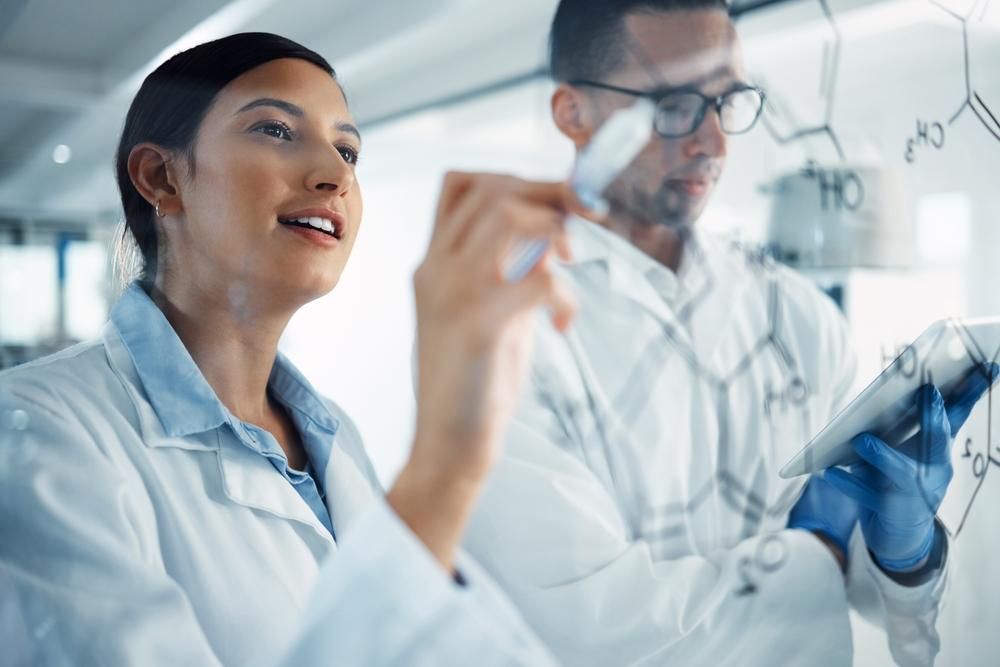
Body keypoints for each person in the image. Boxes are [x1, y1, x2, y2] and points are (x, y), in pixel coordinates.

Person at [0, 32, 589, 666]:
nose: (335, 174)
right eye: (277, 131)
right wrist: (444, 466)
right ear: (161, 178)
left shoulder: (335, 439)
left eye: (348, 149)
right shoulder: (33, 433)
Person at [459, 2, 993, 665]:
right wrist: (816, 551)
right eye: (674, 103)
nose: (713, 142)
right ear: (574, 113)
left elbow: (879, 603)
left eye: (727, 101)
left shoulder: (800, 317)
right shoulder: (500, 328)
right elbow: (584, 622)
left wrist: (904, 552)